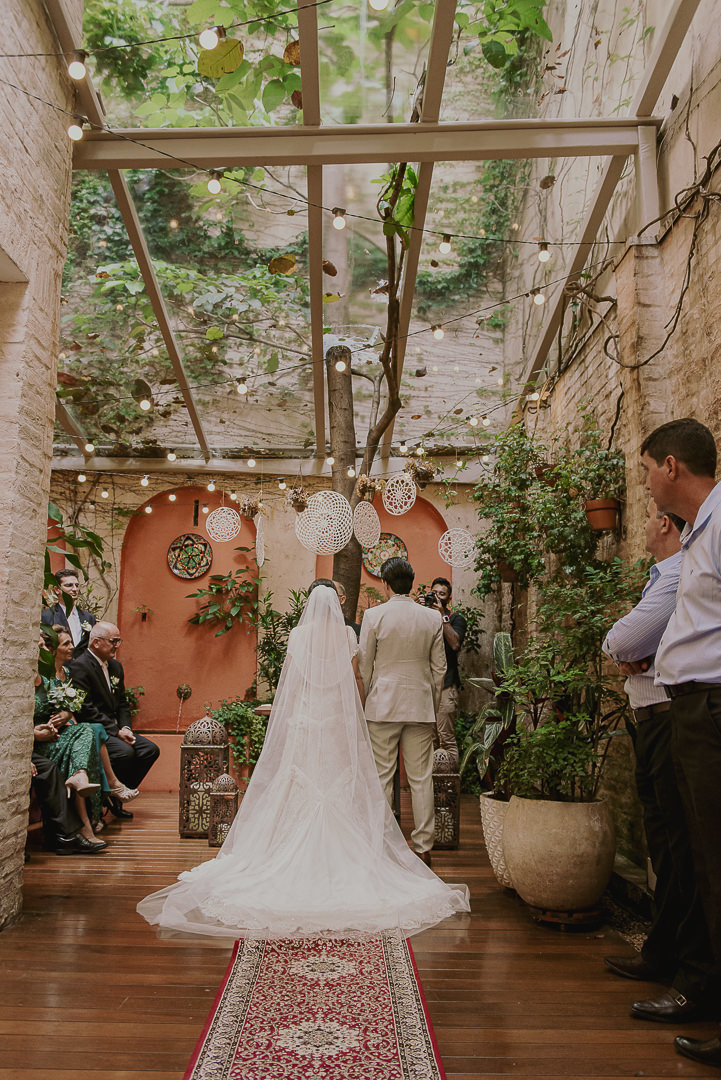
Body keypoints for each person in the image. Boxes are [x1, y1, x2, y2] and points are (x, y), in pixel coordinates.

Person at [137, 583, 469, 938]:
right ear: (336, 604)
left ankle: (284, 846)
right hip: (337, 719)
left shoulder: (298, 635)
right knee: (344, 780)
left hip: (308, 717)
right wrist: (358, 711)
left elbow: (292, 683)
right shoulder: (346, 634)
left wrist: (288, 717)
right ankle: (378, 849)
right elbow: (356, 676)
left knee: (301, 778)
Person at [602, 501, 717, 1020]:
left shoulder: (676, 576)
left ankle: (687, 969)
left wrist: (645, 654)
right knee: (664, 843)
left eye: (649, 515)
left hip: (672, 715)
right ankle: (666, 950)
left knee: (678, 844)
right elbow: (628, 646)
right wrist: (646, 654)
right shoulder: (664, 576)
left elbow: (622, 639)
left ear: (665, 525)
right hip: (652, 713)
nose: (642, 523)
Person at [639, 417, 721, 1067]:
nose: (642, 485)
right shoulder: (697, 533)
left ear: (671, 466)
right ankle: (701, 989)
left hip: (711, 709)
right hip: (690, 706)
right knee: (700, 861)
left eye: (645, 470)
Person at [358, 557, 446, 866]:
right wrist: (431, 705)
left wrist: (372, 695)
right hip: (420, 704)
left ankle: (384, 844)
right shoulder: (432, 619)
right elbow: (439, 670)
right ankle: (423, 847)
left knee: (383, 777)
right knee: (421, 778)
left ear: (384, 583)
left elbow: (365, 665)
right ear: (411, 583)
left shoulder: (373, 616)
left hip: (382, 704)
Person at [68, 622, 159, 813]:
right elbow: (86, 709)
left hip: (116, 729)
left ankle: (116, 796)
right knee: (125, 753)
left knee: (150, 750)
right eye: (113, 641)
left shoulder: (115, 667)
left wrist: (126, 728)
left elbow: (123, 703)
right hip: (95, 729)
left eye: (119, 641)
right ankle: (108, 793)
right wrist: (116, 731)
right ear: (96, 643)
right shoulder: (80, 667)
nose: (117, 645)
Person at [420, 576, 466, 768]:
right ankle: (431, 786)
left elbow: (455, 643)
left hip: (446, 684)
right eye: (434, 593)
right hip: (425, 685)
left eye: (442, 594)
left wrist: (441, 616)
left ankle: (451, 786)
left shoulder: (455, 619)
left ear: (448, 597)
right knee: (429, 740)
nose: (437, 597)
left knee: (446, 737)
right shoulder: (422, 616)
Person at [41, 569, 96, 656]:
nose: (74, 589)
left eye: (76, 585)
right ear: (57, 589)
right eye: (69, 585)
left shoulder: (89, 617)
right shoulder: (46, 616)